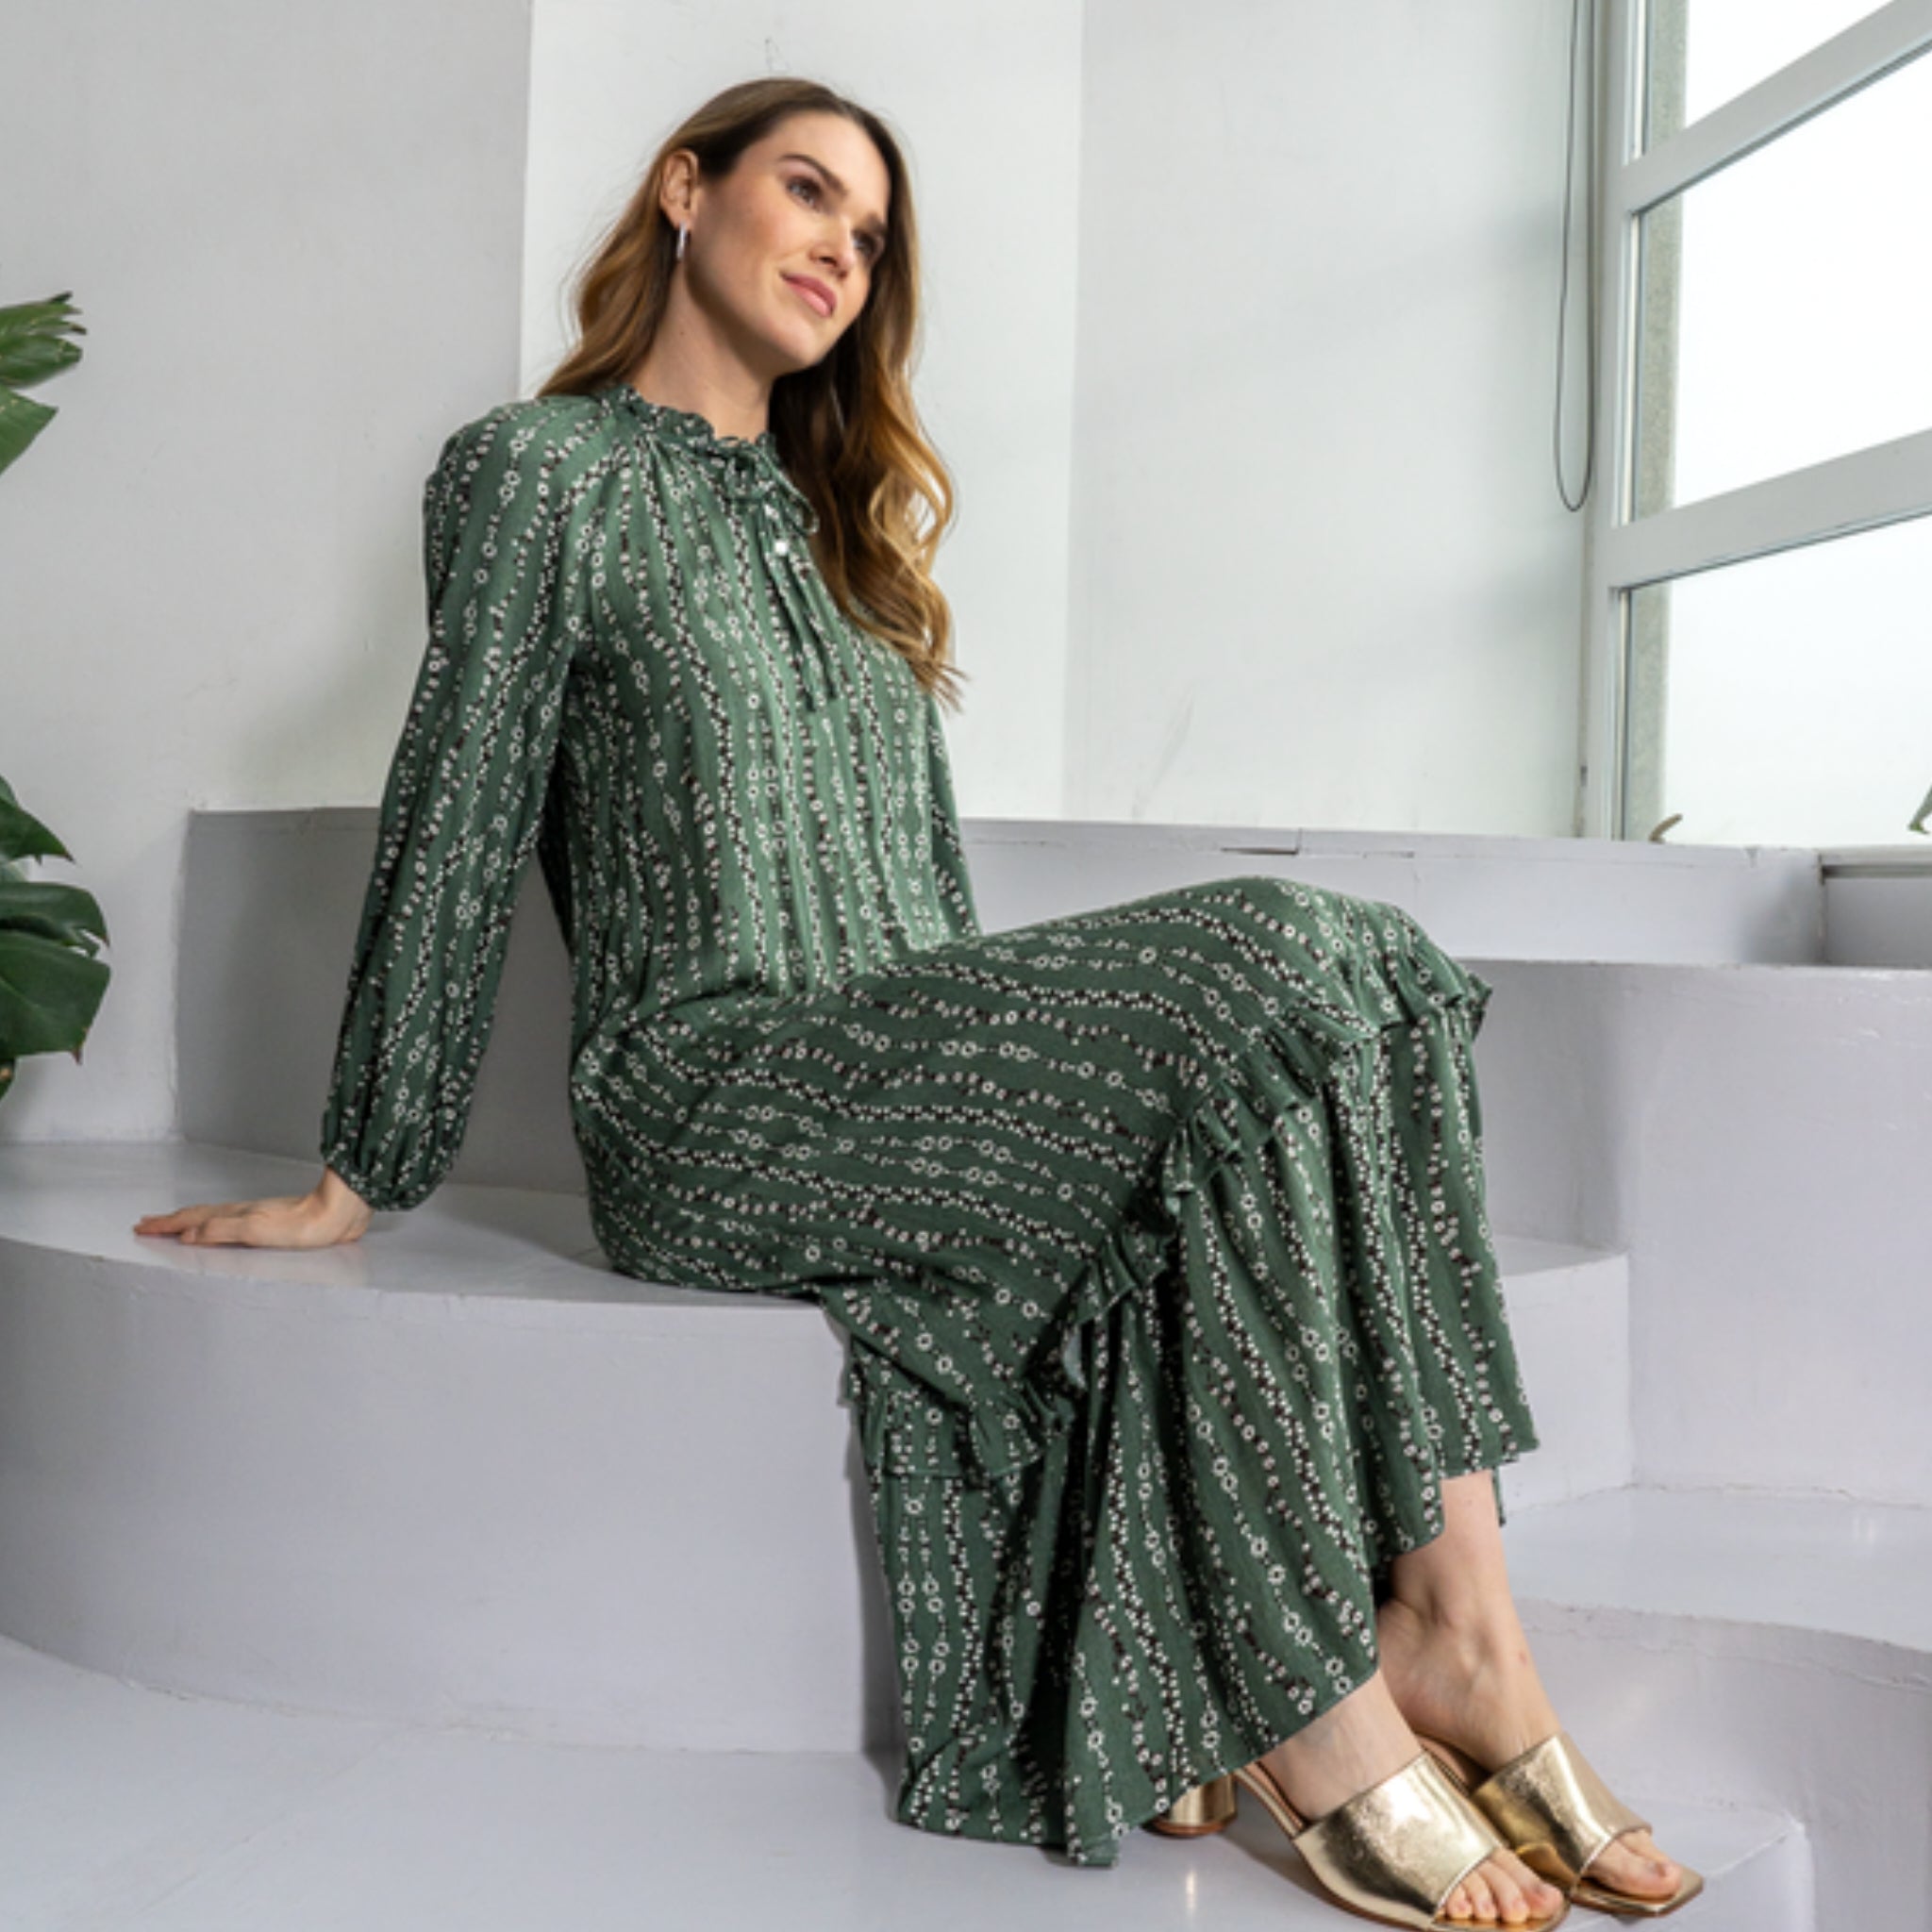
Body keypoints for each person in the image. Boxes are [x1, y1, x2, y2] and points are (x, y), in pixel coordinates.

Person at [134, 75, 1699, 1926]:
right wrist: (361, 1166)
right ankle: (1309, 1692)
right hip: (713, 1098)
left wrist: (1053, 1096)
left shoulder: (841, 531)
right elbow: (458, 805)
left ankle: (1462, 1629)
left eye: (869, 238)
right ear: (684, 190)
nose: (841, 252)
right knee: (1283, 950)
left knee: (1366, 965)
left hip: (898, 1056)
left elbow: (930, 913)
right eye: (808, 193)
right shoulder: (534, 476)